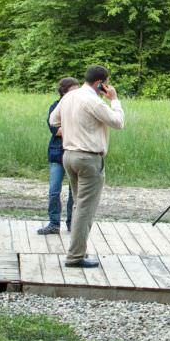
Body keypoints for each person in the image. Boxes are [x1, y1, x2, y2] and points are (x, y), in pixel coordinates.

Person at [49, 66, 125, 267]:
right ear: (100, 83)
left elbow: (53, 120)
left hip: (68, 155)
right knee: (85, 208)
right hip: (88, 158)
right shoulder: (93, 100)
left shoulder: (69, 97)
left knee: (78, 204)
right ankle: (75, 256)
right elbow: (118, 122)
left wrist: (73, 126)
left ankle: (78, 249)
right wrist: (114, 100)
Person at [36, 77, 80, 235]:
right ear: (64, 92)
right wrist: (77, 129)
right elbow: (57, 131)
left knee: (73, 192)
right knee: (54, 190)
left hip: (75, 152)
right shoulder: (55, 106)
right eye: (73, 91)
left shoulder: (81, 106)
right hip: (57, 153)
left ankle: (72, 224)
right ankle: (54, 223)